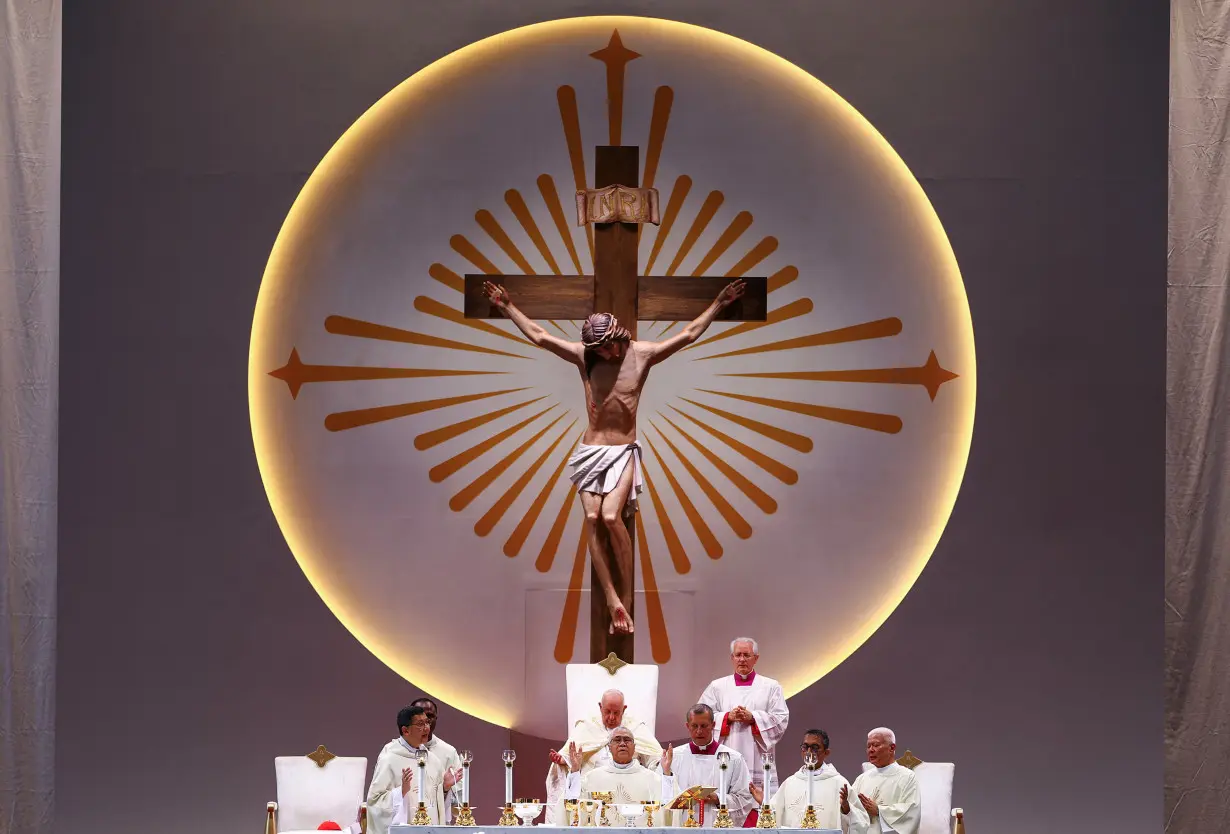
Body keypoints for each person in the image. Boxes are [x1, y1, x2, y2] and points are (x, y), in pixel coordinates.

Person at [483, 278, 746, 633]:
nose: (605, 355)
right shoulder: (585, 356)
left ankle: (627, 595)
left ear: (618, 337)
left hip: (623, 451)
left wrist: (720, 302)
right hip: (591, 450)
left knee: (610, 517)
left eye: (607, 347)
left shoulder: (642, 354)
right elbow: (541, 337)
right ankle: (613, 599)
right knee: (592, 518)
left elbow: (688, 335)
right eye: (599, 350)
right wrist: (506, 306)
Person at [545, 688, 662, 824]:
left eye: (616, 713)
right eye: (607, 712)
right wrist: (565, 761)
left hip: (632, 785)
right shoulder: (586, 727)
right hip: (594, 787)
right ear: (600, 707)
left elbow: (655, 758)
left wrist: (661, 763)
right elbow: (570, 756)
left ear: (624, 709)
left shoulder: (636, 728)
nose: (611, 717)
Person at [698, 637, 789, 796]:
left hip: (758, 758)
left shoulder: (771, 686)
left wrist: (753, 718)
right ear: (731, 658)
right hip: (726, 755)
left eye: (747, 655)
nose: (742, 659)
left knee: (758, 811)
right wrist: (727, 717)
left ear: (756, 658)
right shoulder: (717, 687)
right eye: (738, 655)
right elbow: (701, 717)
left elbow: (780, 719)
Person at [365, 705, 461, 834]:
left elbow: (436, 804)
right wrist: (400, 793)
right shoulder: (389, 759)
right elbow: (374, 803)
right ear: (405, 730)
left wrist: (444, 787)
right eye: (420, 724)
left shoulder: (433, 760)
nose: (427, 727)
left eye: (427, 722)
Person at [659, 703, 755, 827]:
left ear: (713, 725)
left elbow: (745, 798)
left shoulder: (733, 758)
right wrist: (666, 773)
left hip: (716, 827)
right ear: (687, 726)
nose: (699, 731)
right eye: (694, 726)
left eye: (704, 726)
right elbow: (662, 798)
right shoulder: (674, 757)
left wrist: (718, 799)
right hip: (682, 827)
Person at [760, 729, 868, 832]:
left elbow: (862, 823)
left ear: (826, 752)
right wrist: (764, 802)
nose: (809, 752)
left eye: (815, 747)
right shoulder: (790, 782)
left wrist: (846, 808)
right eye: (805, 747)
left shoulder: (838, 783)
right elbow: (774, 815)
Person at [564, 726, 676, 825]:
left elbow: (668, 808)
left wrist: (666, 773)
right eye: (617, 740)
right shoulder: (592, 778)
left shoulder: (652, 779)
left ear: (634, 746)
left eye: (627, 740)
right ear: (609, 747)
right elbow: (574, 807)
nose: (622, 743)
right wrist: (574, 770)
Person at [844, 727, 921, 834]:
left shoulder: (907, 777)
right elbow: (853, 814)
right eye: (868, 746)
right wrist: (846, 808)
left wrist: (879, 811)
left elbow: (911, 813)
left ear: (892, 748)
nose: (871, 750)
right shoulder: (862, 779)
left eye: (875, 745)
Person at [411, 697, 464, 821]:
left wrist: (445, 789)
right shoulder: (396, 751)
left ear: (436, 719)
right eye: (420, 715)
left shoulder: (448, 752)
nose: (426, 720)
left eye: (429, 715)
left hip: (438, 823)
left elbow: (460, 800)